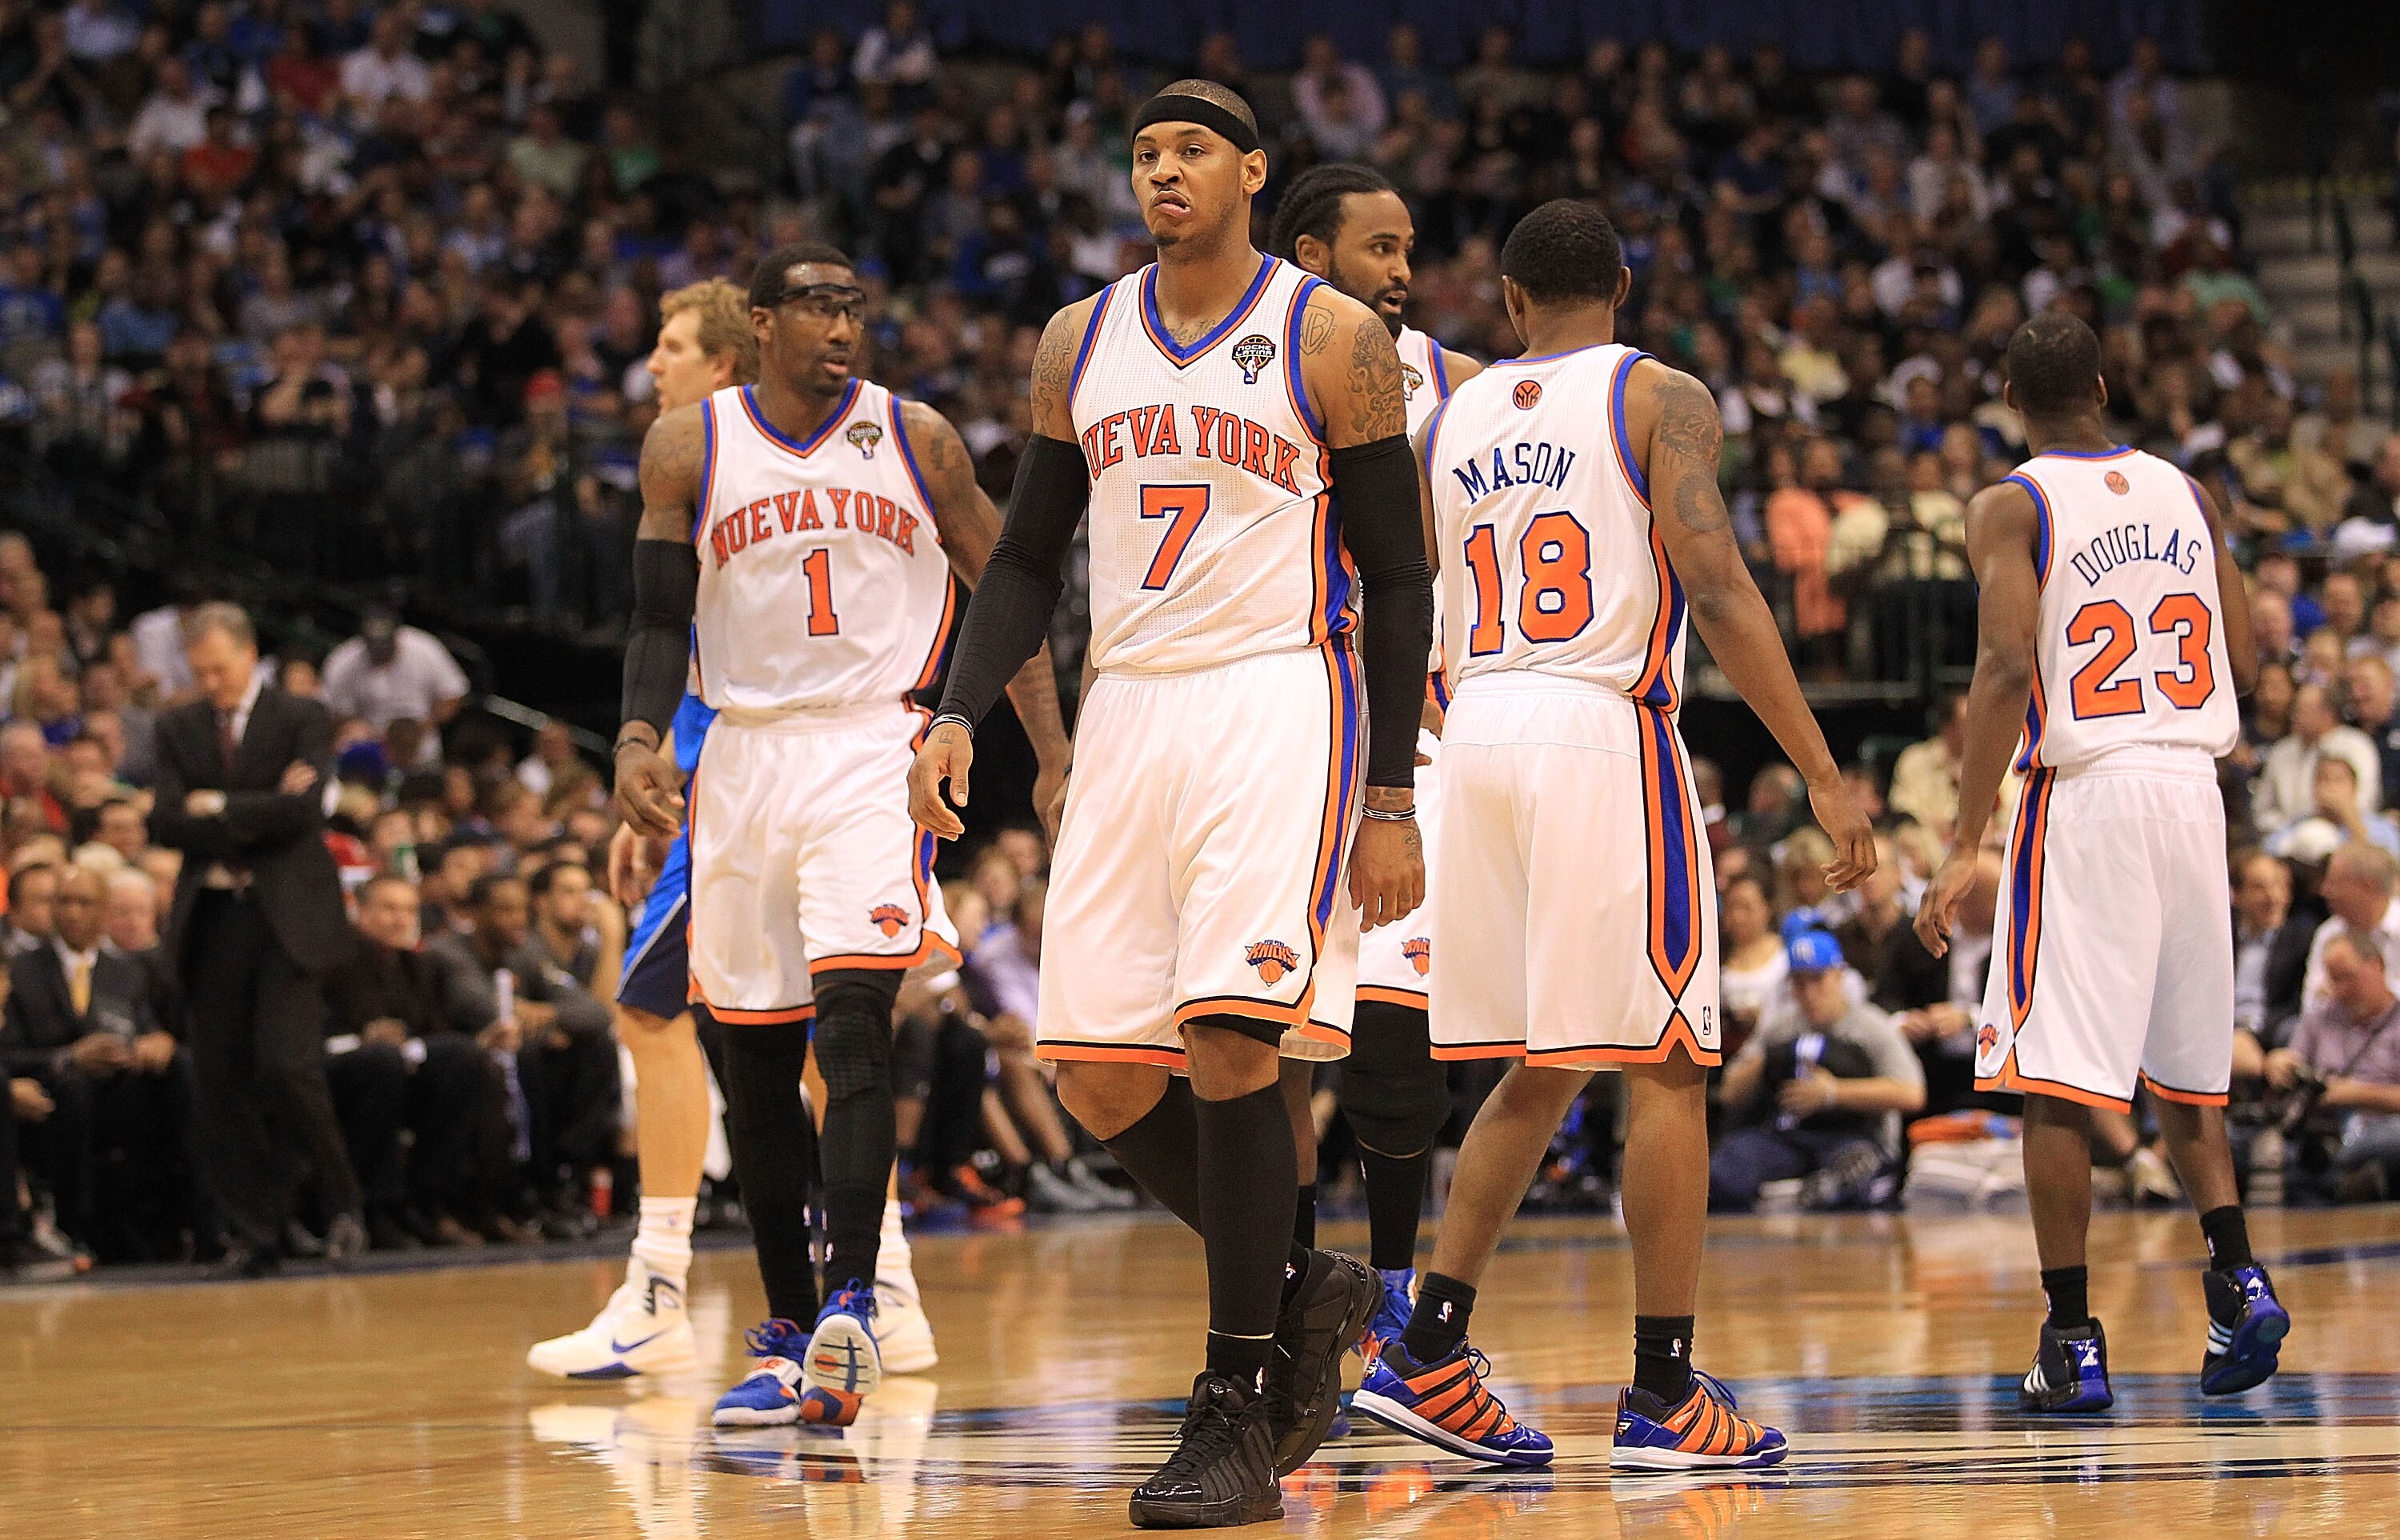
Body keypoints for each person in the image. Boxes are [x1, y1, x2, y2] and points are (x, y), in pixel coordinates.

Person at [908, 81, 1429, 1526]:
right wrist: (955, 711)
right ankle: (1305, 1283)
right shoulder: (1077, 339)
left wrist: (1391, 792)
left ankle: (1235, 1403)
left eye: (1193, 150)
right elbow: (1023, 559)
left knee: (1230, 1040)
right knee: (1094, 1073)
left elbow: (1401, 575)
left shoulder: (1329, 334)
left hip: (1278, 694)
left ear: (1253, 172)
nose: (1163, 172)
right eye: (1145, 154)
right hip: (1129, 701)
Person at [1352, 198, 1871, 1474]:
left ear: (1511, 301)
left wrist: (1399, 773)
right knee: (1672, 1061)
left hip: (1475, 731)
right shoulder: (1658, 397)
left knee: (1545, 1062)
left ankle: (1426, 1350)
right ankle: (1666, 1392)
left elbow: (1394, 600)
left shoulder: (1447, 421)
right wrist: (1821, 771)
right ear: (1624, 287)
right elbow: (1721, 587)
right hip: (1600, 729)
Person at [614, 243, 1068, 1430]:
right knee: (753, 1052)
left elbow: (1008, 586)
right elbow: (658, 620)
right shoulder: (688, 447)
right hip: (743, 755)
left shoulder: (916, 438)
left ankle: (853, 1304)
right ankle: (782, 1330)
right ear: (761, 322)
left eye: (853, 307)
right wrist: (637, 738)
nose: (841, 325)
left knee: (855, 1017)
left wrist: (1051, 748)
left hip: (874, 743)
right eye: (816, 306)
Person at [1918, 311, 2288, 1414]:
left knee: (2054, 1079)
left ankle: (2073, 1335)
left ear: (2011, 402)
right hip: (2193, 789)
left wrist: (1963, 838)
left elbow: (2002, 665)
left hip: (2088, 793)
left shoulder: (2013, 503)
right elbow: (2247, 653)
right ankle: (2239, 1276)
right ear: (2105, 388)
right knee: (2188, 1072)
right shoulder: (2188, 492)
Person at [1270, 159, 1484, 1351]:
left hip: (1417, 730)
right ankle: (1298, 1288)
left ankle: (1395, 1292)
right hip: (1288, 719)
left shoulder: (1464, 392)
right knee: (1279, 1030)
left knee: (1398, 1030)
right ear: (1313, 256)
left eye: (1408, 249)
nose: (1403, 272)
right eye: (1379, 249)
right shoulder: (1257, 371)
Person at [148, 603, 363, 1277]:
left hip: (287, 919)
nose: (210, 682)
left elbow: (305, 810)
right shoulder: (176, 726)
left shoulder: (301, 715)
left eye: (219, 668)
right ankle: (257, 1228)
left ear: (248, 654)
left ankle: (343, 1203)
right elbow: (165, 821)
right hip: (214, 917)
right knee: (220, 1081)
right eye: (200, 672)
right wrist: (261, 805)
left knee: (287, 1066)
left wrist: (217, 805)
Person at [0, 866, 196, 1260]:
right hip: (52, 1091)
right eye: (63, 902)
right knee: (74, 1087)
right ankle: (73, 1227)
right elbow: (8, 1053)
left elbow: (147, 1029)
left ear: (104, 911)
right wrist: (68, 1057)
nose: (72, 913)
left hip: (121, 1091)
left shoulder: (128, 971)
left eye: (84, 903)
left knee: (183, 1068)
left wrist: (155, 1044)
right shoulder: (21, 971)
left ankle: (203, 1221)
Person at [1709, 930, 1924, 1211]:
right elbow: (1730, 1093)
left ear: (1839, 976)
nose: (1809, 993)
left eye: (1818, 980)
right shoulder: (1780, 1027)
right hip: (1788, 1137)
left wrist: (1833, 1093)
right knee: (1726, 1172)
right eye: (1800, 983)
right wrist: (1765, 1061)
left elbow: (1912, 1093)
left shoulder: (1871, 1027)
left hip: (1852, 1138)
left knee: (1855, 1175)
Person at [2264, 930, 2400, 1201]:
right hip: (2322, 1124)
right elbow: (2293, 1062)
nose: (2340, 990)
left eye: (2348, 977)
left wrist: (2355, 1094)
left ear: (2377, 967)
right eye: (2334, 980)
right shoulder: (2319, 1018)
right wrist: (2277, 1064)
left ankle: (2342, 1177)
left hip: (2381, 1122)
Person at [318, 606, 470, 739]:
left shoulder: (424, 648)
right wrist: (362, 730)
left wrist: (421, 728)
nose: (380, 650)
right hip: (368, 746)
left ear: (398, 633)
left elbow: (454, 693)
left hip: (419, 744)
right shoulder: (343, 661)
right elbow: (336, 711)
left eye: (385, 643)